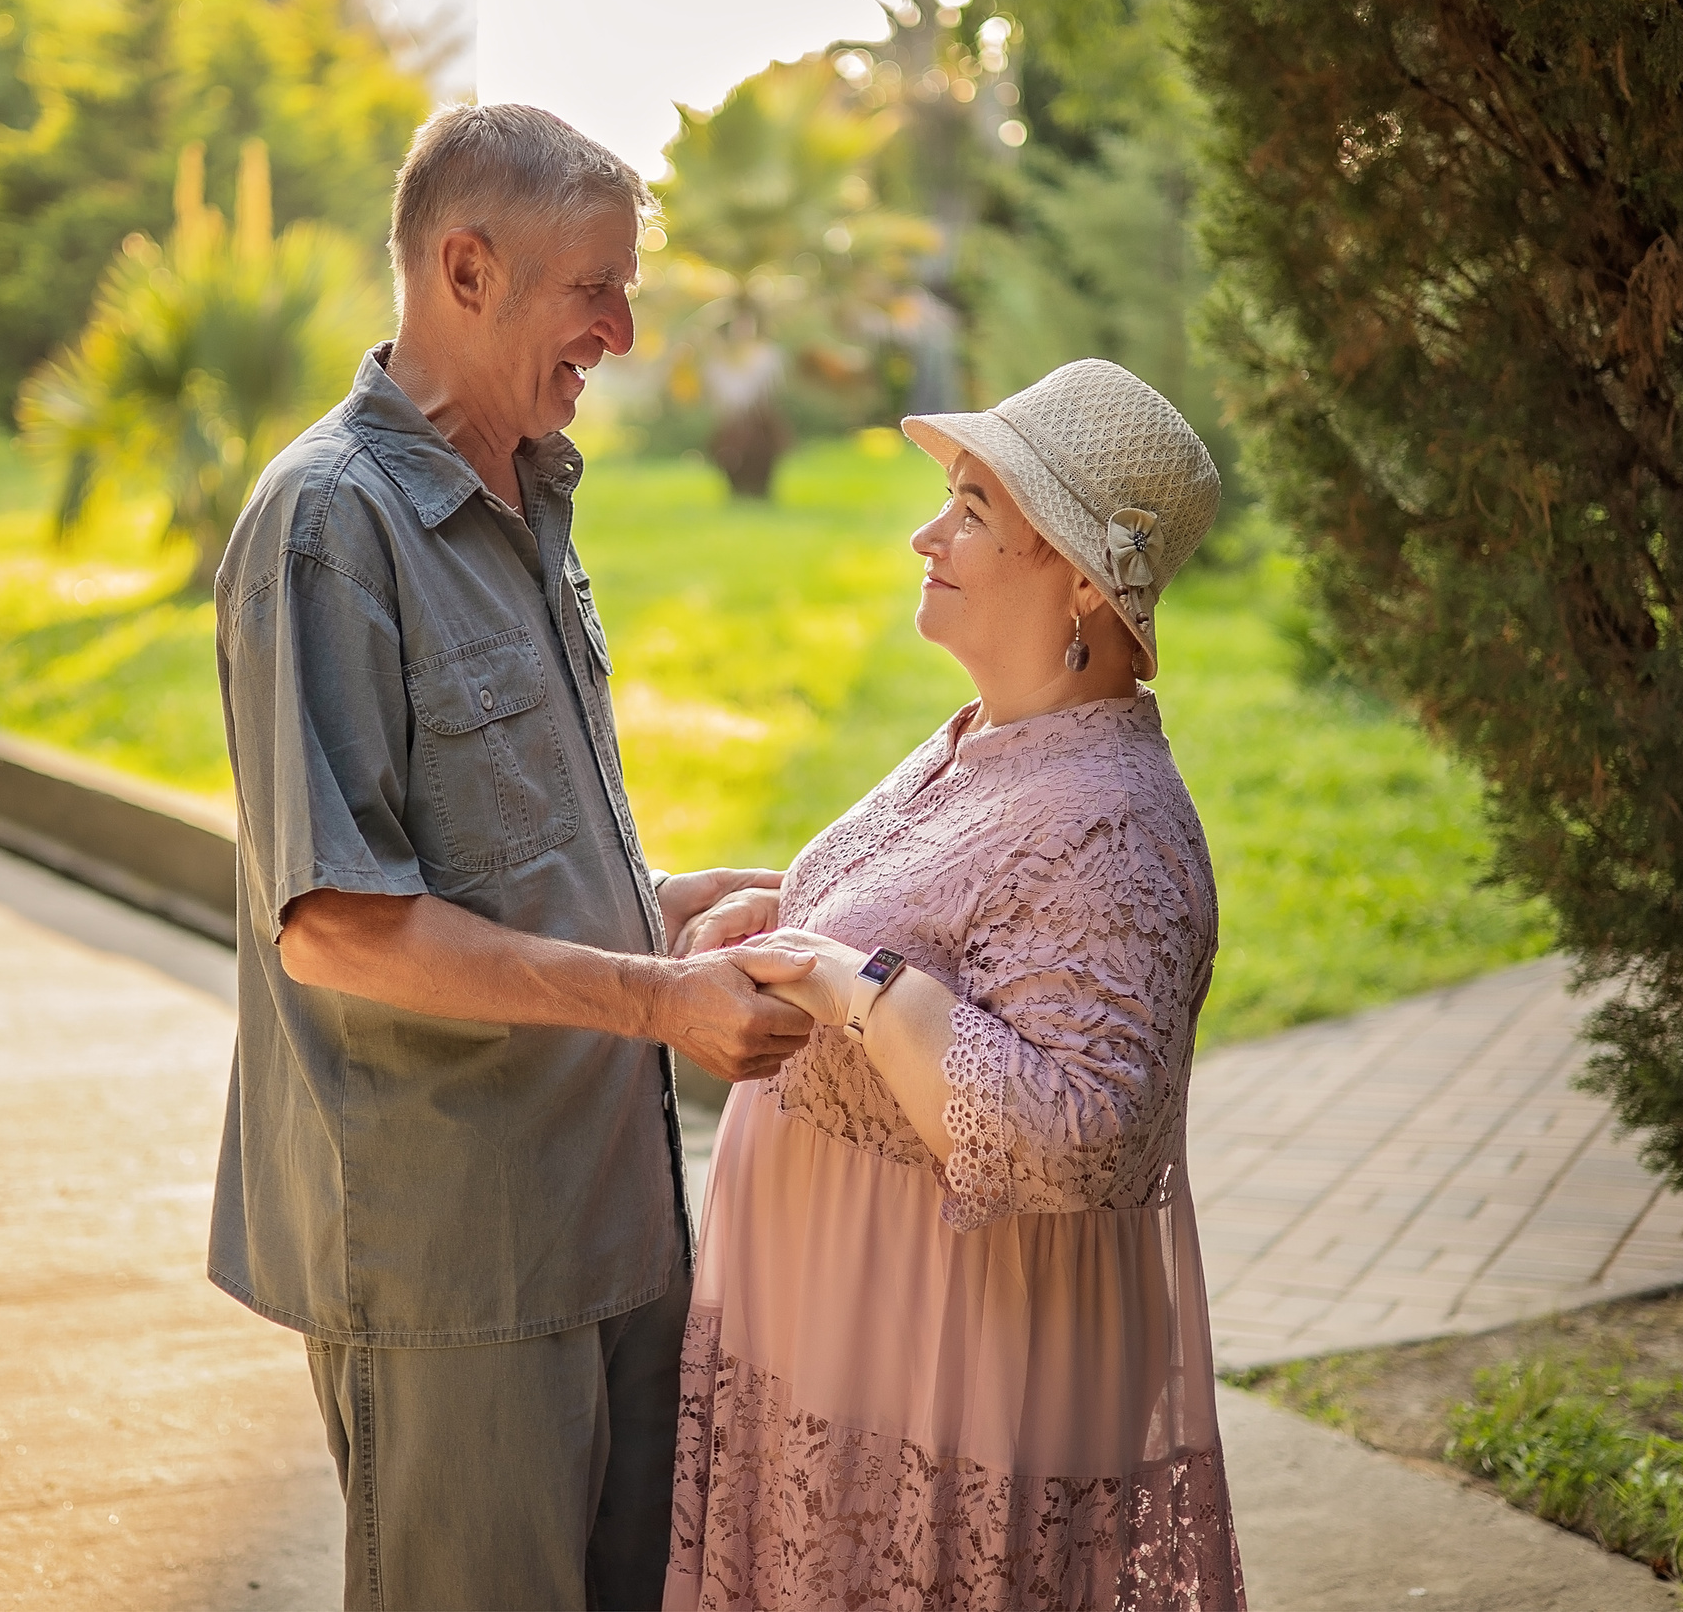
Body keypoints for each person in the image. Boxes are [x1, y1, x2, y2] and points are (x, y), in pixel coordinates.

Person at [205, 103, 822, 1612]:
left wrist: (702, 910)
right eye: (592, 288)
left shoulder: (531, 491)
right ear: (466, 269)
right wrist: (659, 1002)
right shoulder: (326, 528)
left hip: (608, 1229)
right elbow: (340, 925)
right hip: (454, 1267)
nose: (621, 327)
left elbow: (523, 860)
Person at [663, 359, 1251, 1609]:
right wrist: (793, 911)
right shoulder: (996, 732)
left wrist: (847, 976)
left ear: (1085, 577)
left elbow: (1080, 1136)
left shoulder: (1114, 829)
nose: (928, 531)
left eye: (975, 507)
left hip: (952, 1371)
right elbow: (959, 923)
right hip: (849, 1338)